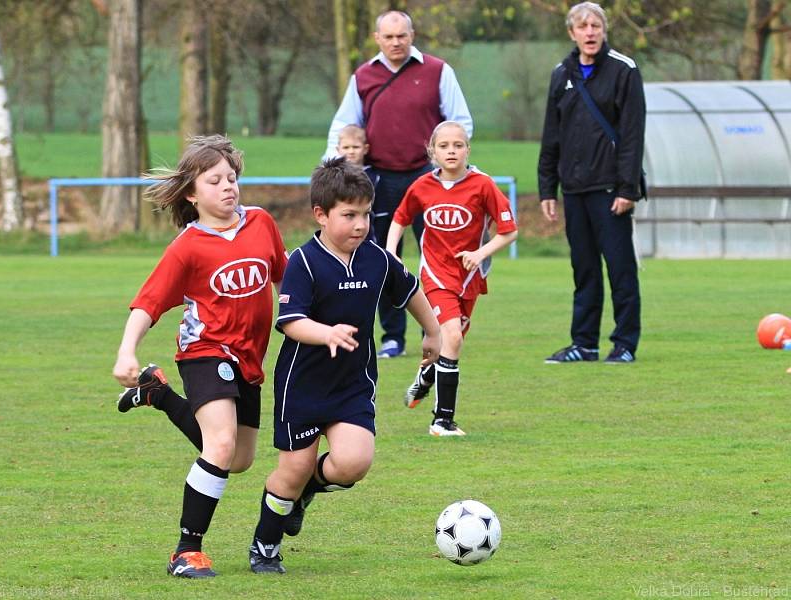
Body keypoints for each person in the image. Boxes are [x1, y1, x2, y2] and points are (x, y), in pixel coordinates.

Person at [248, 157, 441, 574]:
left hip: (353, 382)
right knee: (294, 467)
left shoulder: (377, 258)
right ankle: (266, 544)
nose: (360, 224)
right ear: (321, 214)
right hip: (303, 387)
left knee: (354, 463)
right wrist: (327, 332)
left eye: (366, 214)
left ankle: (303, 493)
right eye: (349, 215)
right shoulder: (303, 261)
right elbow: (290, 321)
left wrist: (433, 333)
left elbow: (409, 291)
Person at [112, 134, 287, 579]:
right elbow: (147, 302)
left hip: (249, 358)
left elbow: (285, 280)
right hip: (204, 351)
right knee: (222, 444)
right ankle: (186, 551)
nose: (228, 186)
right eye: (215, 180)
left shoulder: (262, 223)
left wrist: (307, 323)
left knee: (240, 458)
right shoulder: (188, 246)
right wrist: (126, 350)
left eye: (232, 178)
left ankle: (158, 394)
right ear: (192, 193)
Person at [325, 10, 473, 359]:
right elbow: (344, 126)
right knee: (384, 258)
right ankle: (393, 335)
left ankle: (439, 327)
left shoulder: (438, 71)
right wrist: (332, 172)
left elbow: (461, 122)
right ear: (377, 38)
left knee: (438, 257)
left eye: (401, 36)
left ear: (412, 35)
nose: (395, 42)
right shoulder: (363, 76)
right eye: (388, 37)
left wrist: (451, 164)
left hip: (428, 178)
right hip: (379, 181)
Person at [385, 121, 518, 436]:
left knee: (449, 343)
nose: (451, 151)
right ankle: (442, 421)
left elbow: (509, 231)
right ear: (432, 151)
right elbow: (399, 218)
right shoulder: (421, 187)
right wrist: (391, 254)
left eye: (458, 145)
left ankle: (425, 378)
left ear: (468, 150)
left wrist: (481, 253)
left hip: (469, 278)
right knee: (453, 338)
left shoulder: (483, 185)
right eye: (444, 146)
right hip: (434, 274)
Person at [538, 1, 645, 365]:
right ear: (571, 33)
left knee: (620, 269)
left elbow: (632, 135)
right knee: (584, 271)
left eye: (595, 26)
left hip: (611, 190)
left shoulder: (624, 71)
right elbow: (551, 135)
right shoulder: (560, 74)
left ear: (604, 30)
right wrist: (546, 187)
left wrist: (628, 188)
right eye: (582, 26)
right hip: (574, 189)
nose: (589, 32)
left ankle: (625, 343)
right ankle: (584, 344)